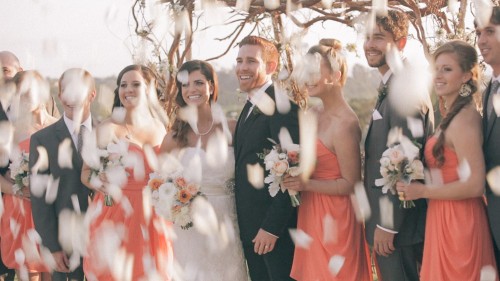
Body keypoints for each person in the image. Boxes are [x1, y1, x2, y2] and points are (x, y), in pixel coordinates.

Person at [396, 40, 498, 280]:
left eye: (447, 69)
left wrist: (422, 191)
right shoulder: (450, 114)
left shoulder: (465, 119)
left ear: (465, 76)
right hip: (442, 217)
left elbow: (475, 185)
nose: (438, 75)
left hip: (461, 221)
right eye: (436, 68)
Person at [283, 39, 371, 281]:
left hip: (336, 219)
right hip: (311, 212)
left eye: (315, 72)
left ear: (336, 75)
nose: (308, 78)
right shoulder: (312, 114)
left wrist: (305, 184)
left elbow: (351, 183)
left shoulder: (345, 123)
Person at [81, 65, 172, 281]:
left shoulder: (160, 127)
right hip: (115, 212)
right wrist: (100, 182)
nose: (128, 89)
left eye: (135, 84)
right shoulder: (106, 128)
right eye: (123, 85)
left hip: (151, 214)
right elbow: (85, 173)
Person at [160, 59, 248, 280]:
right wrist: (173, 203)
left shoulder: (233, 129)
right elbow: (158, 183)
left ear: (211, 86)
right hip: (189, 227)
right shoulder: (173, 138)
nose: (192, 90)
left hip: (227, 220)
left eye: (198, 82)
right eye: (185, 85)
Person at [363, 10, 433, 281]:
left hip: (398, 228)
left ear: (401, 43)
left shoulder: (406, 86)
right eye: (367, 37)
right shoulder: (390, 83)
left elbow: (407, 158)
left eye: (379, 38)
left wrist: (388, 225)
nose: (370, 45)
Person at [233, 35, 299, 281]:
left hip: (275, 234)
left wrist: (272, 228)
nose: (242, 67)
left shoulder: (283, 108)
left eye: (251, 61)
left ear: (271, 66)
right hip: (252, 230)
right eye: (239, 61)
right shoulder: (249, 106)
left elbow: (293, 175)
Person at [29, 68, 95, 281]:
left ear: (92, 94)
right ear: (59, 96)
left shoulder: (110, 134)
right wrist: (52, 246)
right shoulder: (42, 139)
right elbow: (39, 198)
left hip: (106, 238)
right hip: (65, 242)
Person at [0, 71, 56, 281]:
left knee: (52, 271)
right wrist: (19, 189)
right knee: (28, 273)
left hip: (51, 210)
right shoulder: (8, 132)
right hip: (20, 209)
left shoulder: (59, 128)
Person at [477, 6, 500, 272]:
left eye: (490, 32)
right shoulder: (487, 90)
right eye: (478, 33)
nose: (481, 40)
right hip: (493, 218)